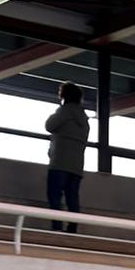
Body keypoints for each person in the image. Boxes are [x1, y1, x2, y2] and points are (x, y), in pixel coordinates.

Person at [45, 81, 90, 233]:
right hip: (77, 165)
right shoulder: (84, 120)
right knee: (72, 197)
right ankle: (72, 229)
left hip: (60, 161)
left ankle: (57, 227)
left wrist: (59, 110)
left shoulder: (64, 112)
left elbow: (49, 125)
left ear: (64, 96)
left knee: (54, 194)